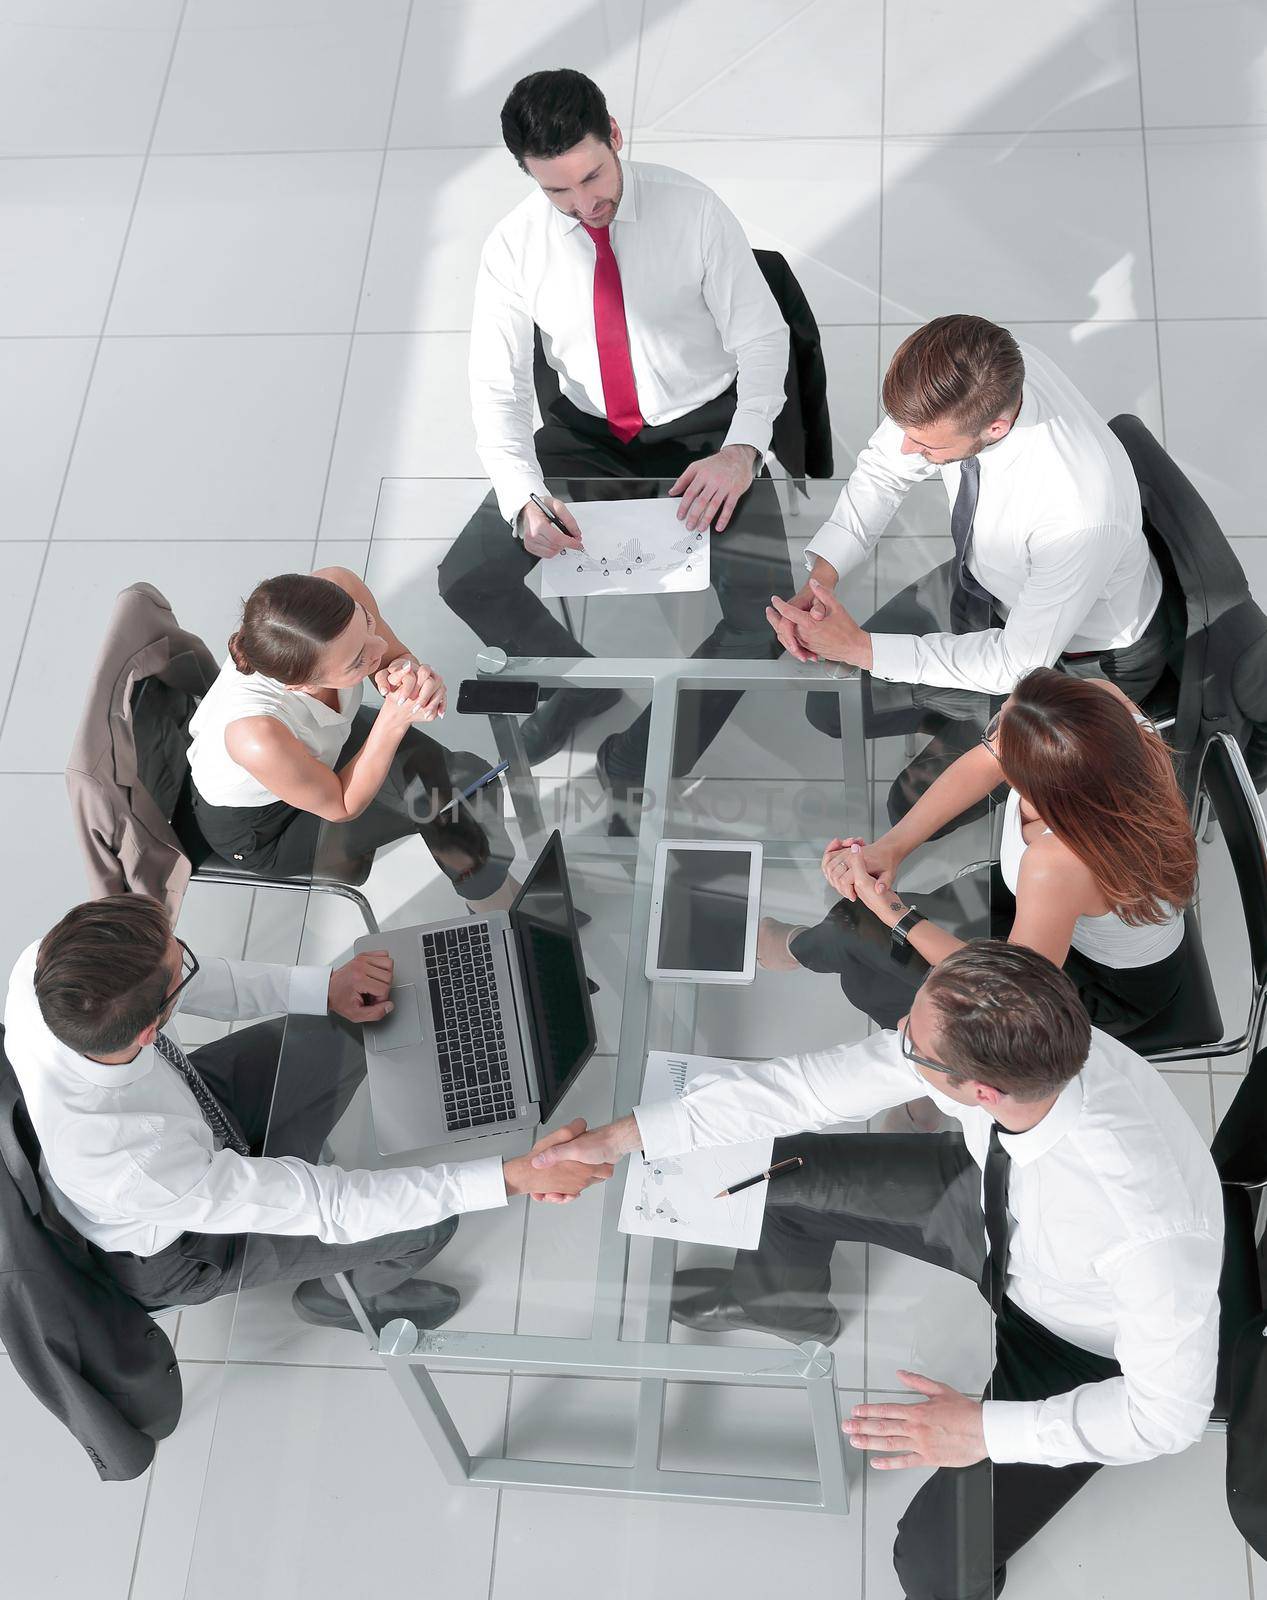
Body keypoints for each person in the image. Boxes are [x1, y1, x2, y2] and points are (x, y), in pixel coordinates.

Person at [533, 942, 1222, 1600]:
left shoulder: (1150, 1230)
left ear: (979, 1092)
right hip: (986, 1208)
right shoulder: (1022, 1045)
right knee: (774, 1174)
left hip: (1075, 1339)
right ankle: (784, 1303)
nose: (897, 1034)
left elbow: (1168, 1417)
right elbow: (805, 1088)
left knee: (927, 1568)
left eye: (913, 1047)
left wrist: (983, 1430)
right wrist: (620, 1138)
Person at [4, 895, 612, 1334]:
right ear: (146, 1032)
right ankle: (342, 1299)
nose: (189, 962)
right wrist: (511, 1177)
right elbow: (332, 1206)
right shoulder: (130, 1162)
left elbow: (199, 980)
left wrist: (326, 988)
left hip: (191, 1109)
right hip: (184, 1240)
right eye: (177, 967)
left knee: (362, 1015)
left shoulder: (47, 968)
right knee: (427, 1227)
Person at [438, 67, 794, 798]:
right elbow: (494, 388)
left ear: (616, 139)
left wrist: (740, 449)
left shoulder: (691, 211)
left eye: (593, 177)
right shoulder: (513, 247)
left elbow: (763, 340)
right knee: (466, 578)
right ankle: (573, 686)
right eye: (556, 191)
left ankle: (641, 756)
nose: (582, 205)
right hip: (588, 436)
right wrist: (522, 498)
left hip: (706, 432)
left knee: (764, 621)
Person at [766, 314, 1181, 823]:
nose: (906, 450)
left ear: (996, 428)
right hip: (988, 588)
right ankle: (955, 710)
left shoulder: (1077, 513)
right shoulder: (984, 367)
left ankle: (977, 731)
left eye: (926, 447)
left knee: (908, 805)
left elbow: (1016, 662)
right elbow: (882, 468)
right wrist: (823, 574)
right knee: (830, 708)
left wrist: (861, 648)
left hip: (1078, 661)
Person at [760, 669, 1196, 1127]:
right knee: (864, 929)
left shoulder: (1057, 862)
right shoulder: (1100, 719)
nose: (991, 742)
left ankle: (931, 1073)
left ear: (1045, 789)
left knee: (874, 938)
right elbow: (983, 763)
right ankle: (812, 948)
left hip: (1087, 986)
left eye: (1001, 744)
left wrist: (895, 913)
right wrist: (893, 846)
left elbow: (1012, 990)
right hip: (1038, 908)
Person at [186, 566, 515, 908]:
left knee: (467, 782)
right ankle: (499, 909)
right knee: (448, 803)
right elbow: (341, 804)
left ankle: (496, 889)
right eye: (358, 662)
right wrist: (393, 719)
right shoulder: (255, 734)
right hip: (268, 827)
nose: (378, 647)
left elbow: (393, 656)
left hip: (319, 747)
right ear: (299, 685)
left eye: (367, 625)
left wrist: (407, 674)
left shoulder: (336, 588)